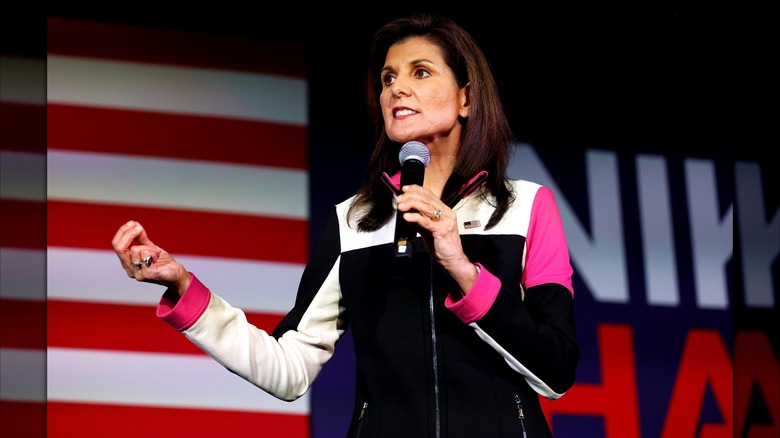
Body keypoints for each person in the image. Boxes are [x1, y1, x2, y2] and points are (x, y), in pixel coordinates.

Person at [112, 12, 579, 437]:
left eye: (421, 72)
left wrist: (461, 267)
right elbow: (288, 368)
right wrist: (182, 288)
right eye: (388, 78)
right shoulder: (354, 220)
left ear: (466, 98)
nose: (397, 88)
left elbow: (555, 371)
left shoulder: (526, 206)